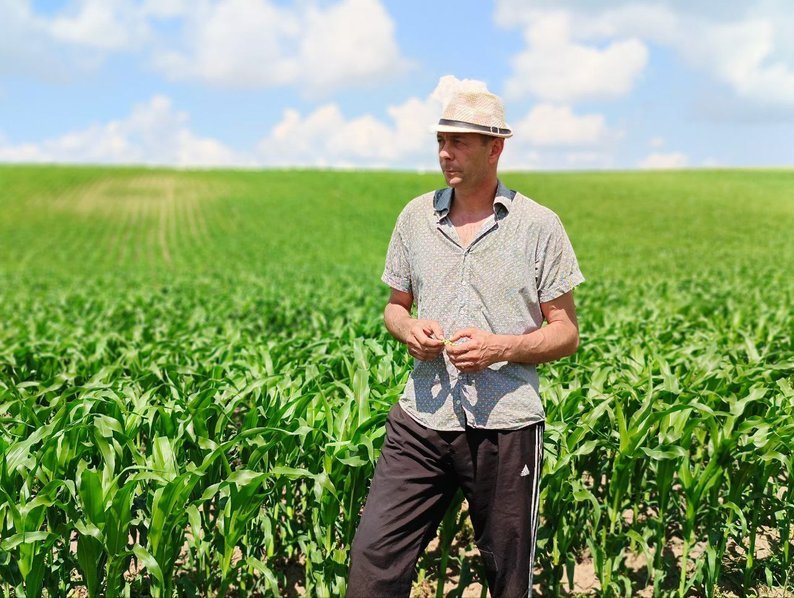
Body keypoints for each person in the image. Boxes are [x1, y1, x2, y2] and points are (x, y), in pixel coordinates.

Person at [347, 80, 584, 598]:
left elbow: (566, 333)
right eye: (440, 140)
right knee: (373, 561)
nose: (444, 153)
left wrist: (500, 348)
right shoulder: (415, 218)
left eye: (458, 142)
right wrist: (409, 330)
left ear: (495, 148)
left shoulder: (539, 227)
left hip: (505, 427)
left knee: (507, 577)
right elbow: (395, 307)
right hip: (422, 418)